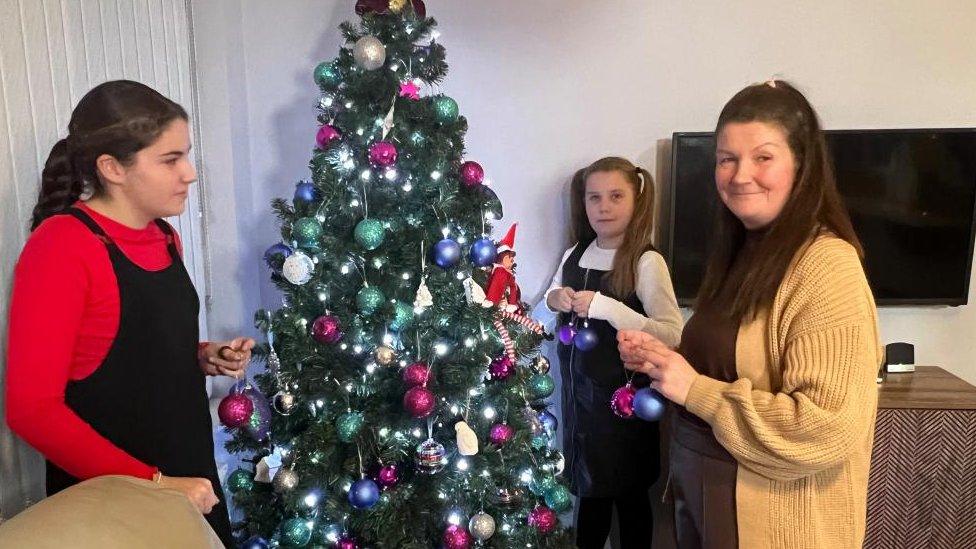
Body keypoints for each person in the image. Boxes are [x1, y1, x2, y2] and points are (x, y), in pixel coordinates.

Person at [618, 80, 882, 549]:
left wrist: (695, 389)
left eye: (763, 157)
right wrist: (669, 360)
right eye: (727, 158)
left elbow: (825, 428)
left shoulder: (826, 266)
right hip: (704, 506)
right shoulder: (742, 254)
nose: (741, 175)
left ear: (801, 164)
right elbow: (736, 362)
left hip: (773, 526)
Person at [5, 80, 254, 547]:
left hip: (187, 476)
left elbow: (127, 350)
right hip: (113, 504)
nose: (190, 173)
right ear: (112, 168)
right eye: (170, 159)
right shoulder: (61, 247)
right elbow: (31, 410)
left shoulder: (164, 237)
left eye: (186, 154)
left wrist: (201, 354)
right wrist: (153, 483)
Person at [542, 156, 682, 548]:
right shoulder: (575, 253)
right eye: (594, 197)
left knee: (629, 497)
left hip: (625, 407)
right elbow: (543, 307)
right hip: (580, 406)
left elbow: (672, 333)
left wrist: (608, 308)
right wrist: (556, 298)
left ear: (637, 200)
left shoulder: (647, 261)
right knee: (590, 494)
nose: (603, 207)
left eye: (616, 196)